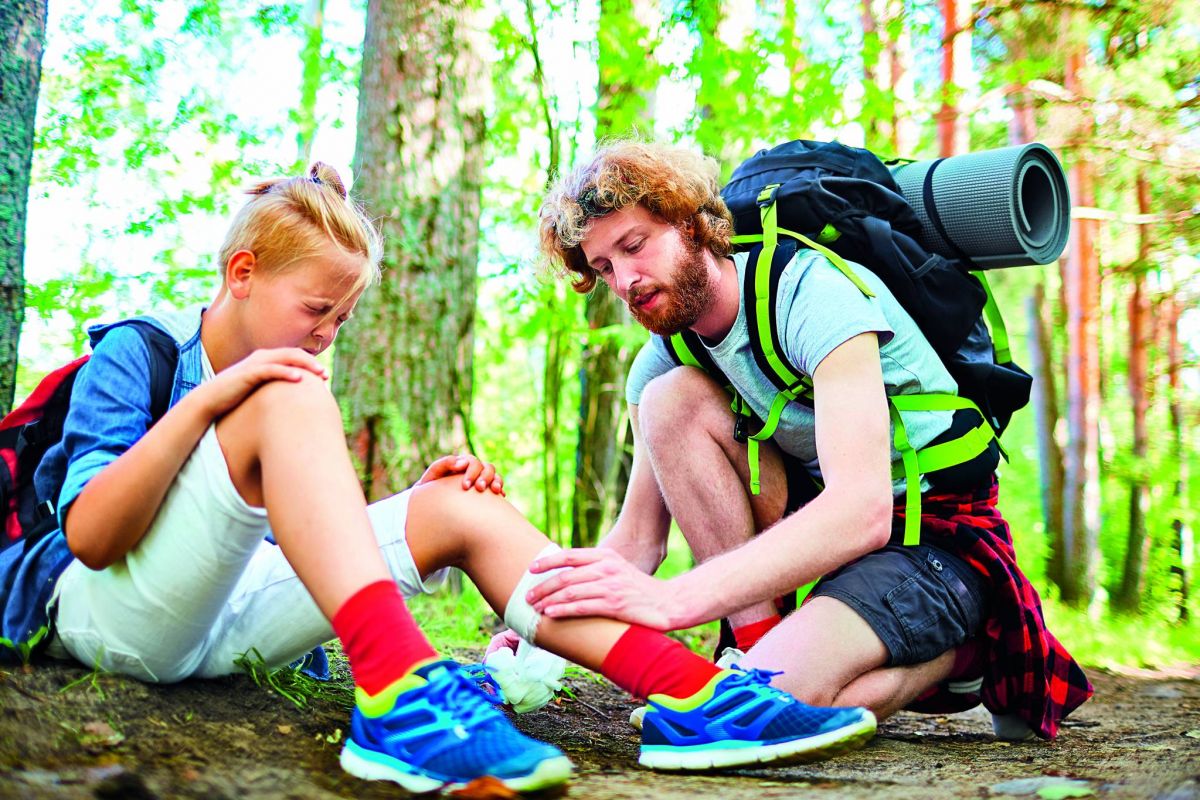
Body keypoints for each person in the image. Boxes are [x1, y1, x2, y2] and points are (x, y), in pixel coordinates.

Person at [1, 162, 878, 794]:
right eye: (316, 311)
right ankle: (398, 698)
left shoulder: (286, 383)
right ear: (240, 276)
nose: (325, 338)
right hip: (107, 612)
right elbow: (91, 538)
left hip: (222, 622)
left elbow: (264, 547)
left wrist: (413, 509)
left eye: (341, 320)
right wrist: (211, 402)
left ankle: (694, 696)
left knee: (456, 499)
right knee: (286, 397)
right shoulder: (141, 355)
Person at [529, 141, 1092, 741]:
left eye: (635, 246)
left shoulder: (810, 295)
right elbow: (638, 540)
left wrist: (678, 601)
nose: (625, 281)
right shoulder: (665, 355)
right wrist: (539, 614)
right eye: (605, 266)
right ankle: (754, 649)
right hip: (817, 536)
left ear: (691, 224)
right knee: (672, 400)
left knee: (772, 706)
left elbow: (861, 512)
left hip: (932, 535)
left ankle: (964, 650)